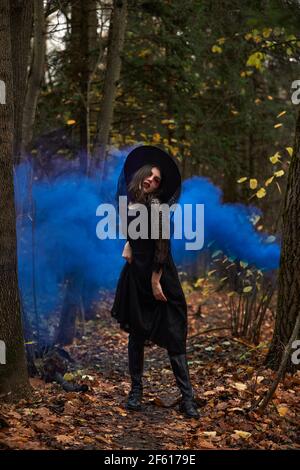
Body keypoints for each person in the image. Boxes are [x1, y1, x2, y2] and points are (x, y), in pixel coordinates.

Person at [111, 145, 199, 419]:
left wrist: (156, 280)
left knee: (174, 333)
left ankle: (188, 399)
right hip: (136, 275)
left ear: (160, 186)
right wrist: (128, 243)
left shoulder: (159, 206)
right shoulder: (131, 202)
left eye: (157, 179)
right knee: (136, 335)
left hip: (159, 276)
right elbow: (135, 232)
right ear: (141, 175)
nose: (151, 180)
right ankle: (135, 392)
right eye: (149, 175)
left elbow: (162, 245)